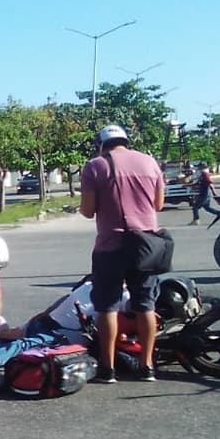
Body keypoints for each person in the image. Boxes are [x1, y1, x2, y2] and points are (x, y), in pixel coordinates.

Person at [78, 123, 165, 383]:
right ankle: (147, 366)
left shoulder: (96, 166)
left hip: (111, 245)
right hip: (147, 244)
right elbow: (158, 204)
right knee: (145, 305)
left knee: (107, 307)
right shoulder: (150, 162)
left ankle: (108, 369)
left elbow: (88, 210)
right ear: (126, 141)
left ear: (101, 144)